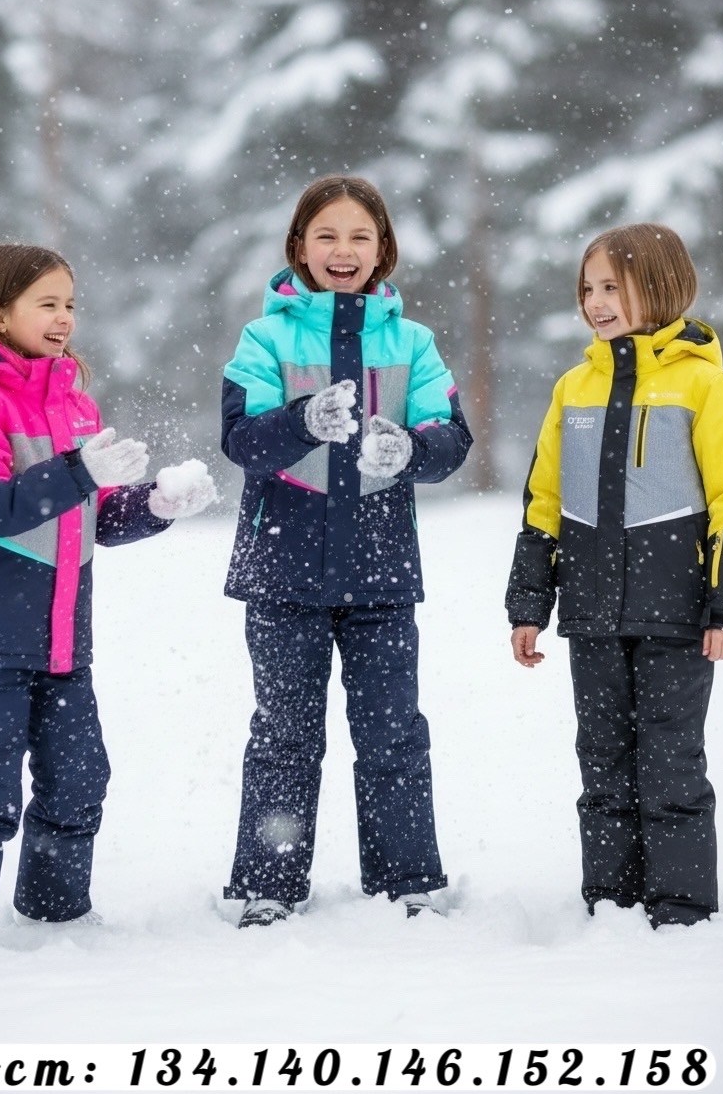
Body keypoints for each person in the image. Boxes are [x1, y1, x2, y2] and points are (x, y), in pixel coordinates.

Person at [0, 243, 217, 949]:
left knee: (79, 777)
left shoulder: (75, 404)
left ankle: (56, 912)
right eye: (46, 304)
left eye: (70, 304)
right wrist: (79, 471)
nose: (63, 318)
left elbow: (93, 517)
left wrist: (156, 504)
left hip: (60, 639)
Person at [221, 174, 473, 927]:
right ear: (298, 246)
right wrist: (302, 420)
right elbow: (241, 440)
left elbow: (451, 437)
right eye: (326, 235)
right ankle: (269, 884)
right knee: (285, 736)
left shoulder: (412, 342)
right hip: (282, 572)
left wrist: (411, 449)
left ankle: (407, 880)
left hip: (380, 572)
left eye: (360, 236)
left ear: (382, 248)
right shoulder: (265, 339)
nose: (343, 249)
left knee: (393, 732)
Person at [506, 223, 723, 929]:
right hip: (593, 614)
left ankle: (681, 910)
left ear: (660, 288)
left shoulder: (706, 386)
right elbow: (544, 501)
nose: (596, 302)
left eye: (613, 286)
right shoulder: (574, 387)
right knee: (602, 762)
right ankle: (611, 904)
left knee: (671, 765)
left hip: (677, 618)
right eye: (588, 288)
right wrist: (528, 604)